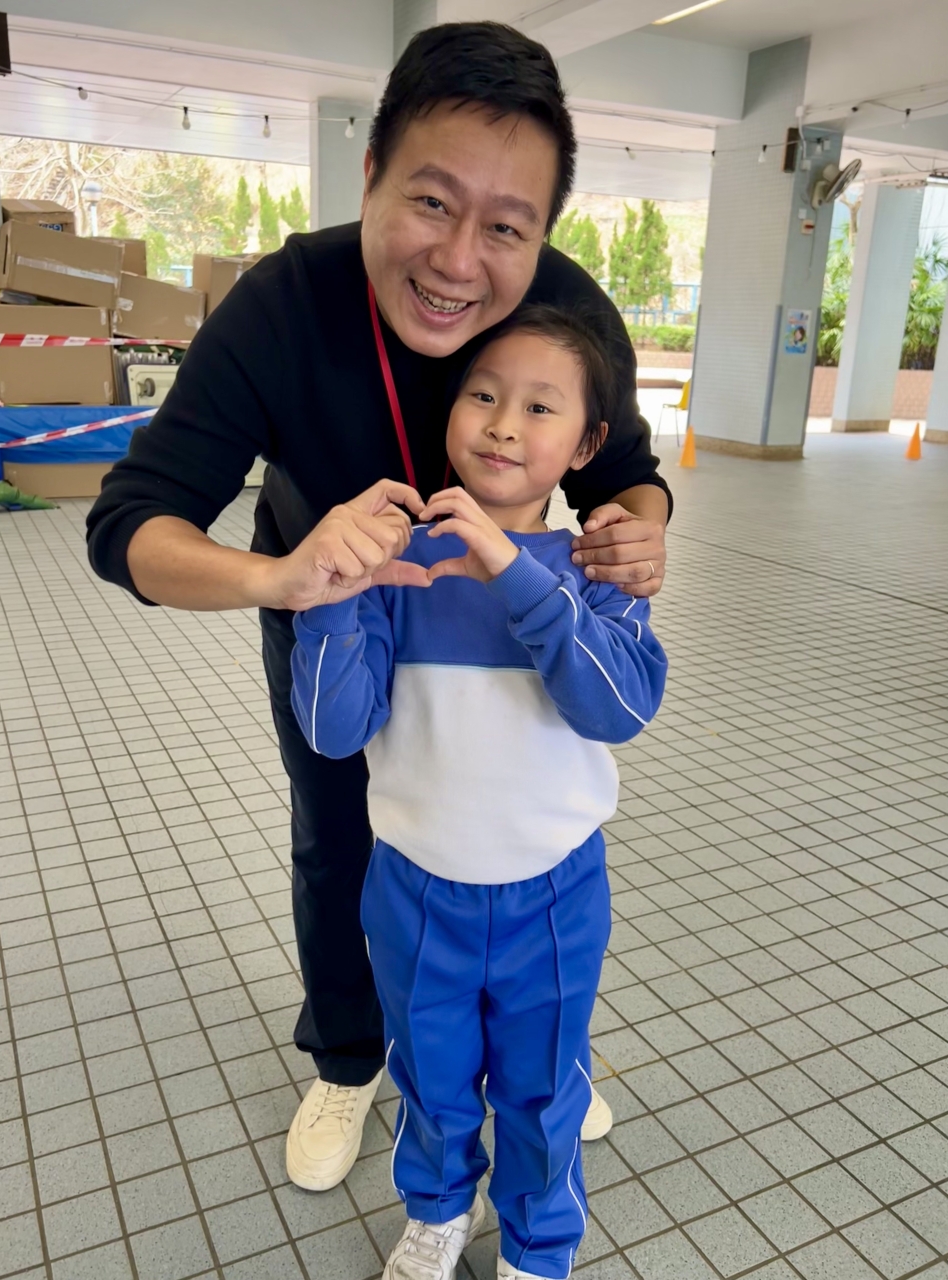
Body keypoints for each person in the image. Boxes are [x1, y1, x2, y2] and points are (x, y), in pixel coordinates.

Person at [85, 21, 672, 1192]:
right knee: (340, 823)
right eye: (431, 202)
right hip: (335, 600)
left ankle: (537, 1046)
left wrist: (639, 528)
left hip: (501, 613)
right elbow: (130, 523)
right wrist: (277, 580)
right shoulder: (285, 305)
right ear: (370, 175)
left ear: (541, 233)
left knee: (519, 828)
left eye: (506, 227)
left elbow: (627, 470)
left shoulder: (560, 308)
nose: (460, 261)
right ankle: (352, 1055)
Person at [290, 306, 668, 1280]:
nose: (503, 424)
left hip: (554, 893)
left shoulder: (598, 568)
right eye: (484, 396)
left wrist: (515, 573)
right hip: (415, 890)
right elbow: (333, 730)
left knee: (544, 1088)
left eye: (540, 407)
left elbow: (618, 707)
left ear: (585, 445)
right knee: (431, 1074)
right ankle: (437, 1212)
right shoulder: (394, 566)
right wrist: (327, 594)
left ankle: (539, 1243)